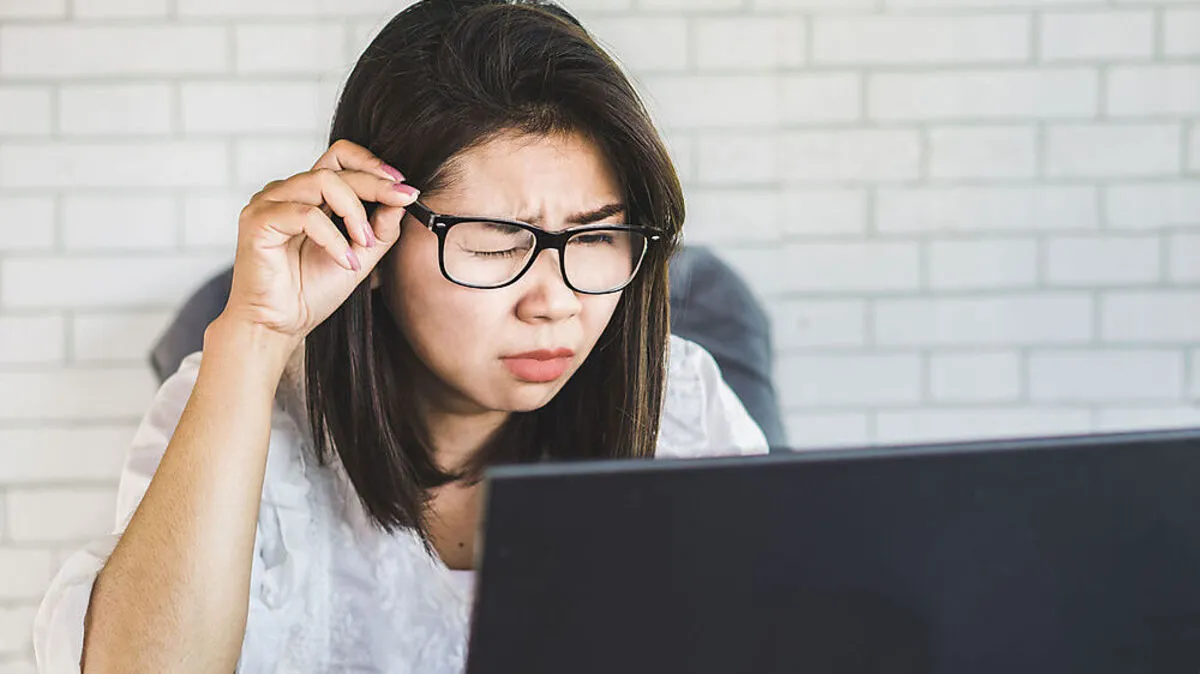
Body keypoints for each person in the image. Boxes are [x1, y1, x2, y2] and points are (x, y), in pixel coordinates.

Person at [33, 1, 767, 671]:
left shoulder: (684, 406)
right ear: (373, 232)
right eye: (495, 241)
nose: (556, 302)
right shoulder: (236, 404)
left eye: (599, 235)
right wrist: (253, 336)